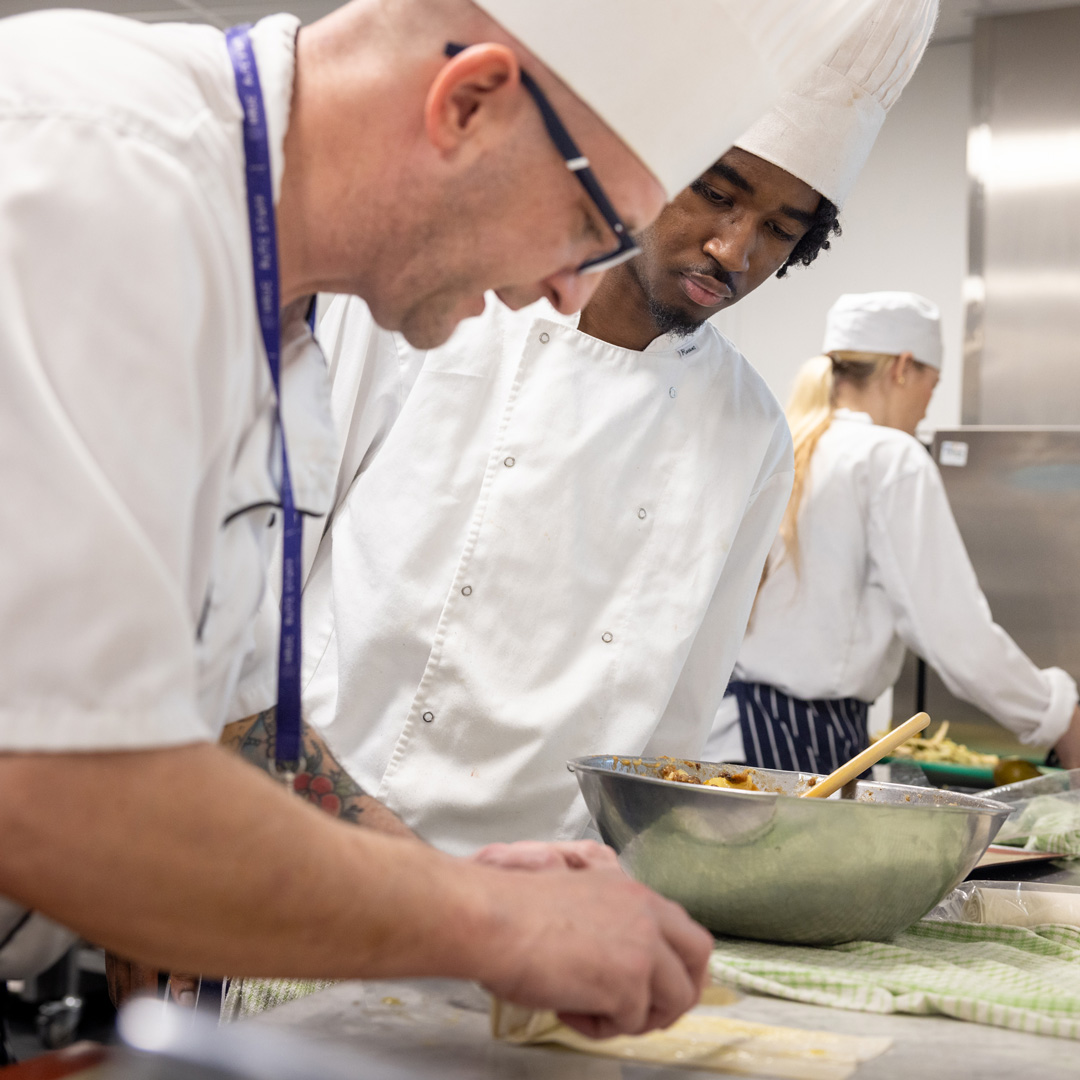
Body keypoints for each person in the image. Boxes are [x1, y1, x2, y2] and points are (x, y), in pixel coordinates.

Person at [0, 0, 881, 1042]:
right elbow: (48, 779)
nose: (561, 286)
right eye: (582, 223)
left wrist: (477, 901)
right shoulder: (89, 157)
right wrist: (484, 923)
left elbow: (242, 720)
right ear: (468, 105)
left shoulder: (275, 322)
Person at [227, 0, 937, 858]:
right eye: (717, 193)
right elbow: (254, 597)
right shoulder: (426, 308)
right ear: (647, 159)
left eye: (782, 230)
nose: (733, 248)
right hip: (315, 842)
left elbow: (673, 736)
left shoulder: (750, 431)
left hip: (552, 886)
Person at [705, 292, 1080, 774]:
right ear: (902, 368)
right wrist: (1057, 717)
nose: (927, 406)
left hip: (732, 731)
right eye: (932, 383)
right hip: (799, 740)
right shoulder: (889, 457)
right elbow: (955, 633)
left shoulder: (787, 443)